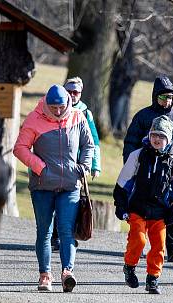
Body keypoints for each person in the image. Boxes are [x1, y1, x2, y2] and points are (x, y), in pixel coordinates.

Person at [13, 84, 94, 292]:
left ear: (67, 102)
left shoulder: (77, 117)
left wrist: (83, 166)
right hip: (42, 186)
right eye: (53, 107)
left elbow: (88, 144)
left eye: (61, 107)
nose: (57, 111)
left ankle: (67, 272)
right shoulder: (34, 118)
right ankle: (45, 275)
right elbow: (20, 148)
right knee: (45, 232)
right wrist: (40, 168)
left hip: (70, 184)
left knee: (67, 231)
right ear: (46, 104)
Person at [114, 115, 173, 294]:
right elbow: (123, 182)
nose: (157, 139)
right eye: (154, 135)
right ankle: (129, 267)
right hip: (137, 208)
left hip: (159, 212)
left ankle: (153, 278)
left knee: (158, 246)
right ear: (149, 135)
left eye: (162, 136)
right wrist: (121, 205)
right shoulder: (138, 155)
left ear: (168, 140)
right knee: (138, 240)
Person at [123, 75, 173, 263]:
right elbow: (130, 142)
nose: (166, 101)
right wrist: (131, 166)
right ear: (155, 97)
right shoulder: (143, 116)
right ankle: (138, 244)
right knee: (141, 208)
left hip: (169, 171)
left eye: (169, 97)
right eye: (162, 97)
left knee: (172, 205)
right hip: (145, 170)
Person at [51, 76, 101, 251]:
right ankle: (55, 235)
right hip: (58, 163)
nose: (72, 95)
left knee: (72, 202)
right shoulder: (55, 109)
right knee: (56, 199)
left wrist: (95, 165)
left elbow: (93, 140)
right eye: (69, 91)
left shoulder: (85, 113)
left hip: (78, 166)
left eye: (76, 92)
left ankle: (68, 235)